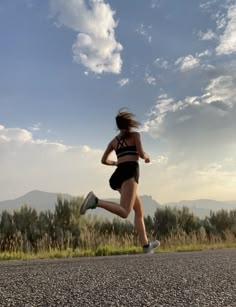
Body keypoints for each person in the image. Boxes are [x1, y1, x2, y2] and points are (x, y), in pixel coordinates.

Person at [80, 109, 160, 253]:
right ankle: (95, 201)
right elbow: (141, 154)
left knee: (139, 210)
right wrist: (147, 157)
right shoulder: (135, 136)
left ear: (118, 126)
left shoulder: (114, 142)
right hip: (130, 172)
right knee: (124, 211)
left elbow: (103, 160)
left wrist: (116, 163)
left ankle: (146, 245)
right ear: (129, 124)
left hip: (118, 175)